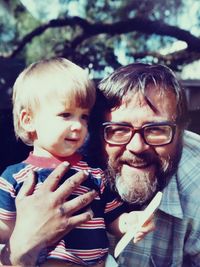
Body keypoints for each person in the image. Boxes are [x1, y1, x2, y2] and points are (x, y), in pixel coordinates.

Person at [0, 58, 152, 267]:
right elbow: (6, 228)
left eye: (84, 117)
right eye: (66, 115)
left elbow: (113, 217)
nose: (78, 126)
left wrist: (129, 222)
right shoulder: (15, 177)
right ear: (29, 120)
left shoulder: (95, 173)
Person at [94, 63, 200, 266]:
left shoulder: (196, 184)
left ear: (181, 133)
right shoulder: (60, 176)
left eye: (156, 130)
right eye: (119, 129)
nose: (137, 147)